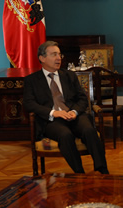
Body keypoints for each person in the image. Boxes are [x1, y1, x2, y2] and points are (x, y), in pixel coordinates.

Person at [23, 41, 109, 174]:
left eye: (59, 54)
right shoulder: (31, 80)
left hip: (74, 115)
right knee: (65, 135)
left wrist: (74, 111)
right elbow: (29, 103)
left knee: (89, 131)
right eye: (54, 54)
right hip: (52, 120)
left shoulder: (69, 75)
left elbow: (82, 99)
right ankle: (79, 174)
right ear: (42, 58)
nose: (58, 58)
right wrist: (53, 113)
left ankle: (102, 170)